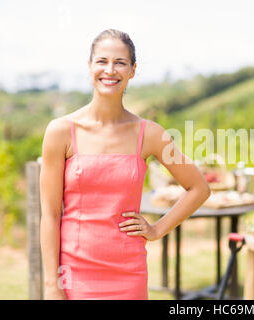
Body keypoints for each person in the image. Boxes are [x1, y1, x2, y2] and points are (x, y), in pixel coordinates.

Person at [39, 29, 211, 300]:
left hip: (128, 274)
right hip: (73, 273)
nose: (110, 70)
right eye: (102, 61)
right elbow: (49, 215)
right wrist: (51, 285)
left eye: (120, 62)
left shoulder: (150, 134)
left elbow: (199, 188)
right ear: (89, 66)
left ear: (132, 70)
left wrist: (157, 229)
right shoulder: (60, 132)